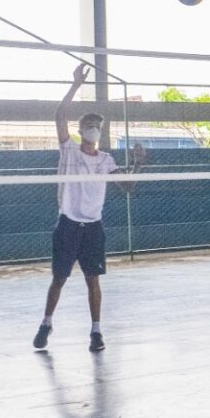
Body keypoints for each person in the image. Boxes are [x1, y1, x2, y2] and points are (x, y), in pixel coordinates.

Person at [33, 62, 143, 353]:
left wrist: (138, 163)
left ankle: (96, 332)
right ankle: (46, 323)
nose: (94, 130)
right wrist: (76, 84)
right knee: (59, 278)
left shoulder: (106, 160)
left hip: (93, 227)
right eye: (89, 126)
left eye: (97, 127)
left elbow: (127, 187)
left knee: (93, 280)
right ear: (81, 130)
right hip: (68, 224)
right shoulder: (69, 150)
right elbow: (59, 115)